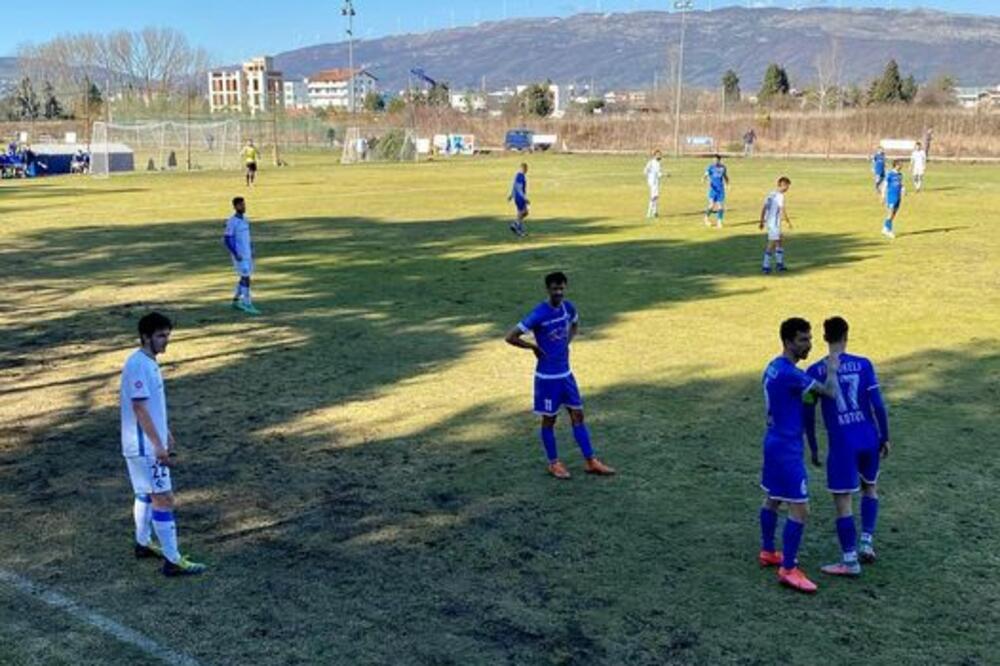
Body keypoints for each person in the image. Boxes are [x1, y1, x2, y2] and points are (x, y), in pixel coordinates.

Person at [504, 271, 616, 480]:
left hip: (566, 375)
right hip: (547, 379)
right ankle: (554, 463)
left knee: (578, 415)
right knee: (549, 420)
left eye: (562, 288)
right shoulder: (539, 313)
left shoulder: (568, 307)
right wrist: (532, 347)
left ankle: (591, 460)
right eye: (555, 289)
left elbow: (574, 324)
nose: (559, 292)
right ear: (548, 289)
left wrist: (567, 342)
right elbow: (510, 337)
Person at [120, 312, 207, 577]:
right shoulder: (139, 365)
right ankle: (172, 560)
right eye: (160, 335)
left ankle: (143, 542)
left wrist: (165, 430)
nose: (165, 340)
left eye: (167, 335)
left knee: (145, 493)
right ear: (145, 337)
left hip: (142, 443)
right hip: (146, 447)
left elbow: (149, 406)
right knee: (164, 498)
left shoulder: (147, 362)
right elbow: (138, 407)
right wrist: (158, 445)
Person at [758, 317, 840, 594]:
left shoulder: (773, 367)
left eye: (810, 338)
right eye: (803, 339)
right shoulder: (793, 375)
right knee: (801, 509)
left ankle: (769, 551)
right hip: (787, 449)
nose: (809, 345)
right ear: (788, 341)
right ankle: (789, 569)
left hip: (773, 441)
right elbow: (829, 392)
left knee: (773, 498)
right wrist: (832, 369)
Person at [805, 317, 891, 577]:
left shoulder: (815, 371)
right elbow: (878, 404)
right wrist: (884, 436)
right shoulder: (864, 364)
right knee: (870, 488)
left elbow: (807, 412)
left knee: (843, 502)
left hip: (842, 443)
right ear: (846, 335)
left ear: (824, 337)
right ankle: (867, 540)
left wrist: (814, 447)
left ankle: (850, 560)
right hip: (868, 436)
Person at [223, 197, 260, 315]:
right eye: (241, 205)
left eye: (244, 205)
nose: (243, 207)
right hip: (239, 255)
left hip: (247, 253)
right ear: (235, 207)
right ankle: (247, 303)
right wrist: (235, 253)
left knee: (245, 277)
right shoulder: (232, 221)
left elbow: (247, 237)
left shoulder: (245, 219)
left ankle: (235, 300)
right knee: (246, 278)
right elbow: (227, 239)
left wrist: (252, 248)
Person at [759, 176, 792, 274]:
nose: (788, 189)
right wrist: (788, 221)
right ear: (783, 185)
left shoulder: (770, 194)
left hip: (770, 221)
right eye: (787, 186)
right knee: (771, 243)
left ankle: (779, 263)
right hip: (774, 223)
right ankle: (765, 266)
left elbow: (764, 208)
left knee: (779, 240)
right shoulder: (780, 196)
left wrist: (761, 221)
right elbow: (782, 209)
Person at [702, 154, 729, 228]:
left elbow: (725, 176)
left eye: (716, 160)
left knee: (720, 206)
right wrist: (703, 178)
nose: (714, 161)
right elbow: (706, 174)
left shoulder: (723, 168)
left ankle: (719, 221)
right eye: (713, 160)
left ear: (719, 160)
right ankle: (706, 218)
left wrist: (727, 183)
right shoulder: (710, 167)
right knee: (711, 205)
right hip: (713, 189)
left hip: (720, 189)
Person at [881, 160, 904, 239]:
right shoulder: (890, 174)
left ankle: (885, 228)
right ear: (896, 165)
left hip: (898, 196)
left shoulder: (900, 175)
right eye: (900, 164)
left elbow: (900, 184)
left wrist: (903, 190)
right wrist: (883, 196)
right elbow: (885, 185)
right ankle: (889, 230)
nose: (902, 166)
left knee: (893, 214)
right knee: (890, 213)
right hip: (891, 196)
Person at [507, 162, 530, 238]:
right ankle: (515, 224)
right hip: (520, 197)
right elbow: (519, 188)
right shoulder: (521, 176)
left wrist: (511, 195)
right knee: (524, 212)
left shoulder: (517, 176)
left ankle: (520, 232)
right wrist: (524, 198)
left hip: (517, 196)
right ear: (524, 168)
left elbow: (514, 186)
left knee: (521, 213)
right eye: (526, 169)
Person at [643, 150, 664, 219]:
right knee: (654, 197)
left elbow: (659, 173)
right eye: (658, 155)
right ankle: (649, 213)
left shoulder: (658, 163)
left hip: (656, 182)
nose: (660, 156)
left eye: (660, 155)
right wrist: (649, 176)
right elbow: (645, 170)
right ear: (655, 156)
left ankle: (655, 212)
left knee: (656, 197)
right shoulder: (652, 162)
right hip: (653, 182)